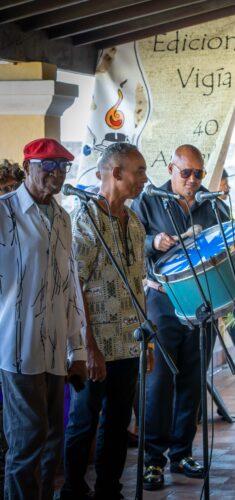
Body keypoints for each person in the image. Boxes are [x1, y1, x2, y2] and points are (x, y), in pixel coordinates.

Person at [131, 144, 229, 490]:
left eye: (198, 173)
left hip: (201, 303)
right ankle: (153, 460)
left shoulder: (210, 204)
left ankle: (182, 452)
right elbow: (131, 240)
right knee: (159, 383)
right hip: (162, 301)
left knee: (192, 379)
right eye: (185, 172)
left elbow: (226, 243)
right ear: (171, 168)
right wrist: (151, 242)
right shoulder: (150, 200)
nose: (192, 180)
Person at [0, 138, 88, 500]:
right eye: (47, 165)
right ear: (27, 168)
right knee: (27, 441)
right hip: (16, 346)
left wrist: (77, 349)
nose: (56, 173)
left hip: (54, 350)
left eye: (62, 166)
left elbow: (69, 286)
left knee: (53, 438)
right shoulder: (4, 211)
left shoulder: (64, 217)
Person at [61, 143, 150, 500]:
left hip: (129, 342)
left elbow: (138, 286)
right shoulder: (85, 221)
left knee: (116, 425)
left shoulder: (136, 223)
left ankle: (109, 491)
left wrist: (148, 342)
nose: (145, 178)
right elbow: (74, 285)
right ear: (116, 173)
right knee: (83, 422)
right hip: (94, 346)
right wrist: (88, 348)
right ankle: (72, 490)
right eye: (139, 171)